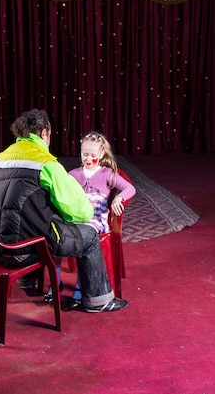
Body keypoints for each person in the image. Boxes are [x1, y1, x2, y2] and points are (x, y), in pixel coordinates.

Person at [0, 109, 128, 313]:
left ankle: (27, 280)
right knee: (89, 235)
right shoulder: (46, 164)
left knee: (21, 217)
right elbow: (82, 212)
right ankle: (99, 301)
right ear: (44, 133)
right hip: (26, 251)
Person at [65, 130, 136, 308]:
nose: (88, 159)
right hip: (78, 217)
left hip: (96, 219)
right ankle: (67, 287)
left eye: (93, 155)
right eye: (84, 154)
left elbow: (130, 188)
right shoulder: (73, 174)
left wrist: (119, 198)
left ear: (102, 154)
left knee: (83, 238)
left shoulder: (106, 174)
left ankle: (79, 290)